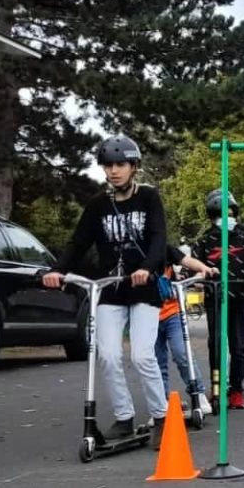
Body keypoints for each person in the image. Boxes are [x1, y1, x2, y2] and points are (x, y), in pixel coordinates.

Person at [42, 135, 170, 445]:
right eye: (108, 166)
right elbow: (78, 242)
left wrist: (147, 268)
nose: (113, 171)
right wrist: (57, 269)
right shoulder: (98, 205)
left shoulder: (149, 198)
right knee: (108, 356)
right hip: (110, 289)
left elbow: (158, 239)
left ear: (133, 167)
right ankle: (124, 418)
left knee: (142, 356)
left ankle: (162, 417)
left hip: (143, 288)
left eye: (120, 165)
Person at [194, 189, 244, 411]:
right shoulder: (205, 240)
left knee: (238, 344)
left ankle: (236, 391)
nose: (228, 218)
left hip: (240, 297)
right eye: (222, 213)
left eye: (231, 212)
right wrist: (197, 278)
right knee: (215, 343)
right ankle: (217, 389)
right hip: (215, 298)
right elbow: (195, 266)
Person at [155, 244, 212, 413]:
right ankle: (162, 401)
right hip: (148, 315)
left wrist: (204, 268)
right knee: (156, 361)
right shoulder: (133, 253)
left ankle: (198, 393)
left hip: (172, 311)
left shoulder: (164, 248)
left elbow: (186, 260)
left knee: (182, 353)